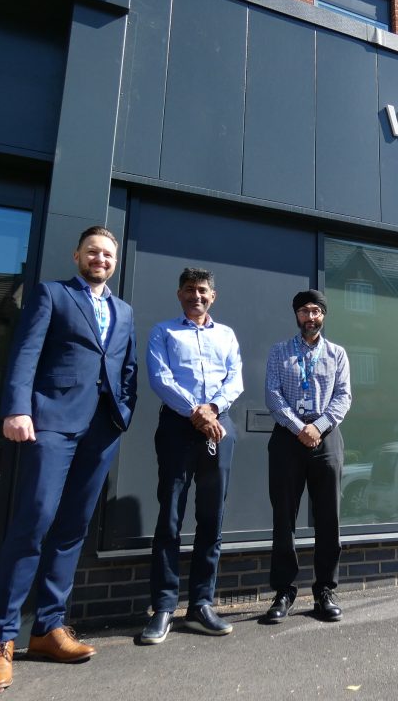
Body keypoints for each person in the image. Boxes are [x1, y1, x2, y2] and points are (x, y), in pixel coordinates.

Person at [0, 226, 138, 691]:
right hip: (50, 423)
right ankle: (0, 640)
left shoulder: (124, 310)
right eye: (93, 252)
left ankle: (48, 628)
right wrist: (17, 407)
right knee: (33, 521)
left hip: (101, 429)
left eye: (108, 254)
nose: (101, 259)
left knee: (72, 529)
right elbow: (26, 353)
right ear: (77, 255)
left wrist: (122, 413)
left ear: (115, 261)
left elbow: (125, 366)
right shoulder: (52, 295)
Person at [140, 267, 243, 644]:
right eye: (188, 290)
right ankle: (164, 607)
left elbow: (236, 378)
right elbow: (160, 378)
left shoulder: (227, 335)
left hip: (219, 425)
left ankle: (201, 603)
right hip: (177, 428)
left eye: (202, 290)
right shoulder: (163, 331)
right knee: (169, 517)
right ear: (179, 294)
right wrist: (195, 412)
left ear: (212, 296)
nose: (196, 296)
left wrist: (212, 408)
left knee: (211, 519)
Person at [263, 289, 351, 623]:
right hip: (287, 438)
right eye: (303, 311)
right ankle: (283, 591)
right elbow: (272, 394)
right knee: (284, 517)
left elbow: (343, 396)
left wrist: (319, 427)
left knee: (329, 518)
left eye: (315, 311)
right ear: (296, 315)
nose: (310, 317)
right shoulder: (279, 352)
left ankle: (325, 590)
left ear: (323, 315)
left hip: (326, 438)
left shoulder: (337, 353)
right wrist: (299, 427)